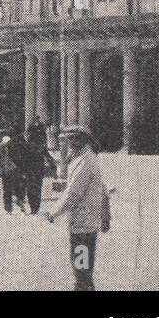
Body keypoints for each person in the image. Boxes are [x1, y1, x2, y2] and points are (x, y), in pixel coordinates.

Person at [45, 125, 110, 291]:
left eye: (73, 139)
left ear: (83, 139)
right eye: (68, 139)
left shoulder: (84, 161)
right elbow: (103, 190)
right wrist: (105, 216)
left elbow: (73, 192)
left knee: (81, 269)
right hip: (86, 223)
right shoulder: (85, 157)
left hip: (82, 224)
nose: (70, 143)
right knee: (84, 270)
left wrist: (54, 212)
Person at [22, 116, 49, 213]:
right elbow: (46, 153)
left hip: (32, 167)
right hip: (36, 167)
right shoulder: (40, 142)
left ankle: (34, 207)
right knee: (36, 187)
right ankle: (35, 207)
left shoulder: (30, 143)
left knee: (32, 187)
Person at [0, 134, 27, 213]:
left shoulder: (5, 144)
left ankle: (8, 208)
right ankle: (19, 200)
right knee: (18, 187)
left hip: (7, 170)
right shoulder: (20, 143)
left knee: (7, 189)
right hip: (16, 169)